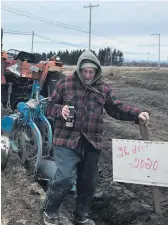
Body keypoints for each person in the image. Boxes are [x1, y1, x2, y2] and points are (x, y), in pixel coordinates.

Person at [43, 50, 150, 225]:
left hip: (92, 142)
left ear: (96, 71)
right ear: (79, 69)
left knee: (88, 183)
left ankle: (80, 215)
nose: (87, 75)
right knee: (64, 178)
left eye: (91, 72)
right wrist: (58, 110)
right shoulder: (65, 84)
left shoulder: (103, 89)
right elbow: (49, 106)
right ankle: (51, 210)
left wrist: (137, 115)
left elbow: (116, 108)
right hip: (67, 140)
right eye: (84, 71)